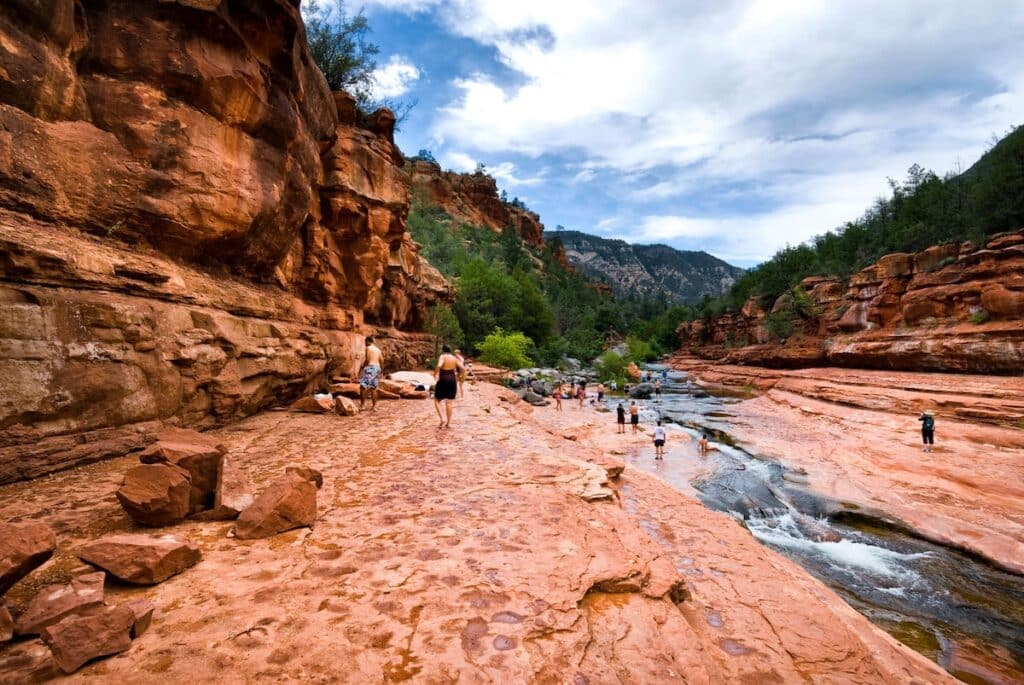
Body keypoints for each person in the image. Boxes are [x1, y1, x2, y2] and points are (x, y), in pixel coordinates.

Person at [433, 345, 464, 428]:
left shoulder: (442, 356)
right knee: (449, 402)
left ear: (443, 350)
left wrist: (435, 374)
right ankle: (449, 423)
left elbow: (439, 365)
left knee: (437, 400)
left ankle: (442, 418)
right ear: (450, 351)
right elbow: (463, 368)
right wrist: (460, 376)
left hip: (443, 378)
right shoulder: (454, 358)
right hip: (452, 380)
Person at [359, 336, 383, 411]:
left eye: (365, 342)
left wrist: (361, 368)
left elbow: (367, 360)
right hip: (377, 368)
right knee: (373, 388)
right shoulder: (378, 350)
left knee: (363, 386)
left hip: (371, 367)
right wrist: (381, 371)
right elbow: (382, 361)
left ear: (368, 341)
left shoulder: (368, 348)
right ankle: (374, 407)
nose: (365, 344)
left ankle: (362, 406)